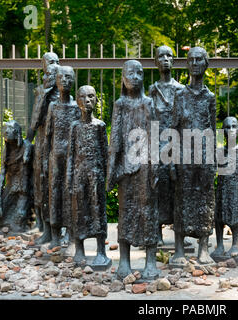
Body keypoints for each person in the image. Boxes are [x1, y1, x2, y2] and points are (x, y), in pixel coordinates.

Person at [107, 60, 160, 280]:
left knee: (148, 212)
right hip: (125, 168)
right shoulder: (119, 104)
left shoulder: (148, 103)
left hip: (146, 167)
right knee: (125, 212)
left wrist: (155, 168)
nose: (135, 77)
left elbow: (156, 136)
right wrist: (111, 169)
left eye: (139, 73)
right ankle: (124, 261)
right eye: (131, 73)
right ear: (123, 78)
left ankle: (150, 261)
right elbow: (115, 138)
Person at [171, 46, 216, 266]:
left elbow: (213, 130)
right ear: (187, 64)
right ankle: (179, 249)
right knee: (182, 199)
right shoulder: (179, 96)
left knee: (205, 200)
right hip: (184, 156)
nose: (196, 63)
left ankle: (204, 248)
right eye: (192, 59)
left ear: (206, 64)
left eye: (200, 59)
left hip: (205, 156)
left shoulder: (210, 97)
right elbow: (172, 129)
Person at [66, 85, 110, 266]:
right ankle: (80, 249)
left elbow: (105, 153)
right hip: (79, 174)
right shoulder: (74, 127)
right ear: (77, 101)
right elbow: (70, 154)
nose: (87, 101)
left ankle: (101, 250)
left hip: (96, 175)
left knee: (97, 209)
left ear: (96, 100)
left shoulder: (100, 126)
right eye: (83, 97)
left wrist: (106, 179)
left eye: (91, 97)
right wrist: (69, 178)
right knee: (79, 210)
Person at [149, 45, 184, 246]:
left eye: (168, 56)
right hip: (157, 144)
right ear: (155, 61)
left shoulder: (180, 90)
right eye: (160, 56)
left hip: (178, 145)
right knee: (159, 189)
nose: (164, 59)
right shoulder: (152, 90)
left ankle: (180, 234)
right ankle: (157, 232)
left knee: (178, 190)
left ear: (173, 60)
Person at [45, 65, 81, 249]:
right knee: (54, 193)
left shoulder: (77, 107)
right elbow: (48, 135)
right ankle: (54, 232)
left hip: (72, 157)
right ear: (56, 81)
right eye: (62, 77)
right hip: (55, 157)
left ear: (73, 81)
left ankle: (70, 230)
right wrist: (46, 159)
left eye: (69, 77)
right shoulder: (52, 106)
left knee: (70, 193)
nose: (65, 81)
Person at [27, 59, 60, 244]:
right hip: (42, 140)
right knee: (42, 181)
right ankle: (43, 225)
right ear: (44, 67)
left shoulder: (65, 90)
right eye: (49, 62)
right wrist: (27, 141)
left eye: (56, 61)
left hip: (59, 141)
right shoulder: (41, 90)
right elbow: (35, 118)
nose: (53, 65)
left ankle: (63, 230)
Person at [211, 116, 238, 262]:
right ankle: (219, 245)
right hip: (221, 191)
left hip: (235, 192)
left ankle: (234, 245)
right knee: (218, 219)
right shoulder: (219, 151)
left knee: (235, 219)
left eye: (234, 126)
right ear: (223, 131)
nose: (231, 130)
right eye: (227, 127)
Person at [0, 120, 33, 232]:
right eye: (5, 128)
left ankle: (23, 217)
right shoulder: (7, 150)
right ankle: (9, 221)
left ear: (17, 132)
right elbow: (2, 173)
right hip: (10, 186)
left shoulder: (27, 147)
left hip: (24, 190)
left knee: (18, 225)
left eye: (10, 129)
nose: (6, 132)